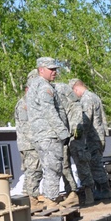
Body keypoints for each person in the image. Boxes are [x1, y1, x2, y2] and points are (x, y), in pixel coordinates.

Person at [25, 57, 70, 211]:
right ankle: (51, 201)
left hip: (40, 134)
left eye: (55, 69)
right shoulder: (44, 87)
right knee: (53, 167)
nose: (55, 72)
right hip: (49, 134)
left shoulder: (34, 87)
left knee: (48, 167)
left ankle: (47, 199)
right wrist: (63, 132)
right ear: (41, 69)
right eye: (51, 69)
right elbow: (49, 111)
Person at [72, 79, 111, 200]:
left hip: (93, 138)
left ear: (76, 89)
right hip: (98, 136)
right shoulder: (94, 96)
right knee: (96, 163)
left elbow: (86, 120)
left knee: (95, 164)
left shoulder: (87, 99)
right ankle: (102, 190)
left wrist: (77, 134)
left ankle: (104, 190)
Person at [56, 80, 92, 205]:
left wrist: (76, 129)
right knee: (64, 164)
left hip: (74, 132)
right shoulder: (48, 93)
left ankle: (89, 193)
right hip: (62, 133)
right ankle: (71, 193)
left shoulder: (63, 90)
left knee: (81, 161)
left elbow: (76, 109)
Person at [15, 73, 42, 208]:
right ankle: (32, 199)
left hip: (29, 144)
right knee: (33, 171)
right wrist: (38, 143)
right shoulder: (24, 104)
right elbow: (27, 127)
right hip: (30, 145)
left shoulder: (30, 103)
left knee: (32, 171)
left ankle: (29, 198)